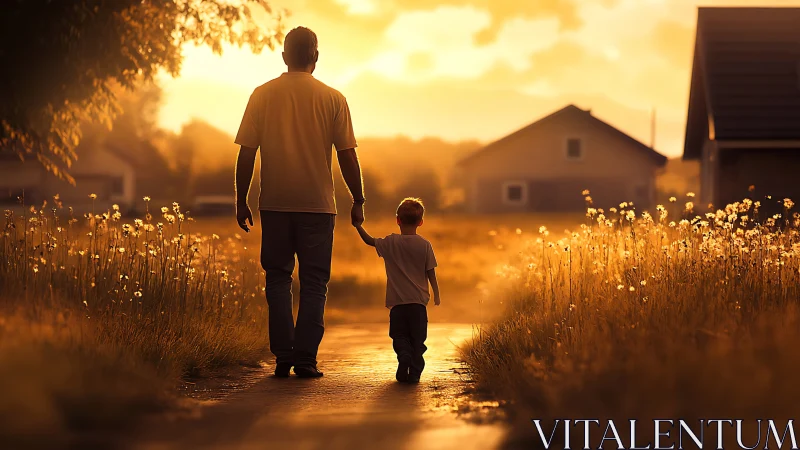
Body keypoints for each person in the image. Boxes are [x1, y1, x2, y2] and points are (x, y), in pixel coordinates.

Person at [234, 26, 365, 378]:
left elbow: (247, 153)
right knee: (314, 283)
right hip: (318, 206)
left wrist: (241, 199)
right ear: (316, 57)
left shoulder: (262, 95)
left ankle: (283, 356)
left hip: (274, 203)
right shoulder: (333, 98)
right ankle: (305, 358)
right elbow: (347, 156)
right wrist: (358, 198)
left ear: (283, 57)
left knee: (277, 279)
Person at [353, 198, 440, 383]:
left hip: (398, 305)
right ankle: (415, 373)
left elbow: (370, 241)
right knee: (418, 340)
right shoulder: (425, 245)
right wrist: (437, 294)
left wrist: (358, 226)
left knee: (399, 336)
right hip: (418, 304)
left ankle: (403, 355)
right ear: (421, 222)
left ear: (397, 220)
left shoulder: (390, 242)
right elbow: (430, 272)